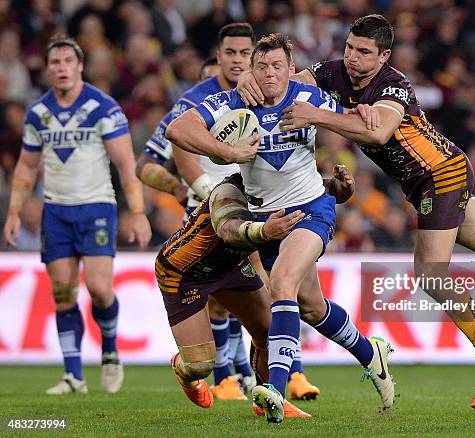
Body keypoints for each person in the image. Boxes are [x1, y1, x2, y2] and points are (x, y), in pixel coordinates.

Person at [237, 14, 475, 409]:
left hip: (441, 174)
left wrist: (319, 116)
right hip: (423, 183)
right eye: (349, 48)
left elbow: (379, 133)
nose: (353, 58)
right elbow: (286, 82)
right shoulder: (333, 73)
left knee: (430, 272)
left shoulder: (393, 86)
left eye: (363, 52)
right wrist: (245, 80)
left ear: (384, 56)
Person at [167, 33, 395, 424]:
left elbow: (358, 120)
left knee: (282, 285)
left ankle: (274, 389)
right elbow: (179, 128)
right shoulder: (238, 101)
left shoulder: (309, 98)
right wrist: (228, 152)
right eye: (262, 67)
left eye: (278, 66)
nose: (270, 74)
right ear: (252, 71)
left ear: (292, 70)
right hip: (266, 219)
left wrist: (366, 114)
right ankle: (369, 352)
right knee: (311, 307)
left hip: (311, 210)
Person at [136, 23, 320, 401]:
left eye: (245, 54)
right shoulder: (197, 102)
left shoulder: (276, 92)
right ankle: (214, 373)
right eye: (230, 53)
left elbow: (309, 78)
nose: (238, 61)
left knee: (279, 302)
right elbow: (169, 151)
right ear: (218, 57)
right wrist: (195, 181)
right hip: (217, 218)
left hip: (256, 210)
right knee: (243, 307)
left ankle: (274, 388)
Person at [3, 35, 151, 395]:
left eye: (68, 61)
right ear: (49, 69)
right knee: (63, 292)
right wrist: (14, 212)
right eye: (55, 62)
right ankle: (73, 375)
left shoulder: (103, 107)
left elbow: (125, 161)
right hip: (56, 210)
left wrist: (137, 211)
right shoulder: (39, 112)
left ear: (80, 66)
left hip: (97, 206)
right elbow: (26, 165)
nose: (62, 68)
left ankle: (111, 351)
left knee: (100, 289)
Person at [157, 167, 355, 418]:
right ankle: (182, 367)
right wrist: (263, 231)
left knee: (269, 331)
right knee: (199, 365)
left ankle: (269, 399)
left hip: (231, 267)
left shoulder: (278, 186)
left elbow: (312, 190)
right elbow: (227, 230)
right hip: (185, 272)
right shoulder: (228, 190)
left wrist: (341, 188)